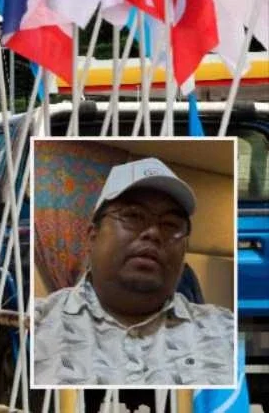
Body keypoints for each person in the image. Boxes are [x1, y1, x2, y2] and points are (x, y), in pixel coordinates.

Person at [34, 157, 235, 386]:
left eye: (170, 224)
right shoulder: (33, 327)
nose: (153, 233)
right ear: (92, 235)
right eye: (133, 216)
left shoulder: (226, 332)